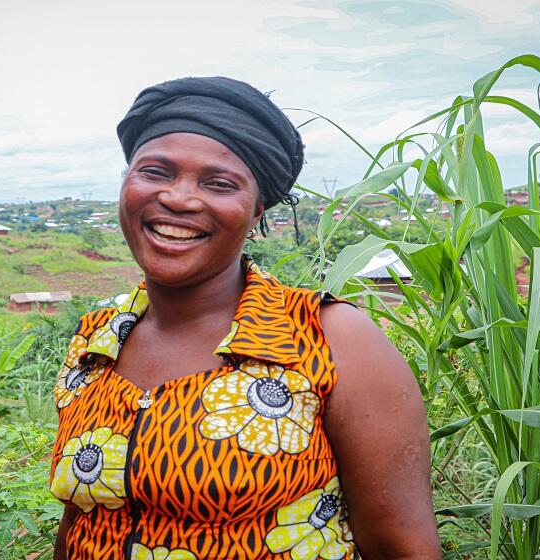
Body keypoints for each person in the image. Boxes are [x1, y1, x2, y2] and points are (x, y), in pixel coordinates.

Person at [49, 76, 439, 560]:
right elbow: (80, 520)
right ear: (126, 183)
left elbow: (401, 546)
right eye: (155, 172)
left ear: (257, 212)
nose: (179, 198)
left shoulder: (328, 339)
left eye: (219, 183)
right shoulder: (97, 341)